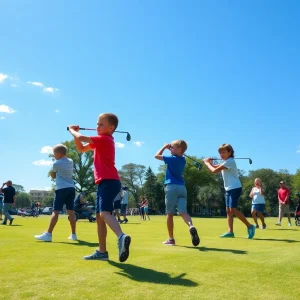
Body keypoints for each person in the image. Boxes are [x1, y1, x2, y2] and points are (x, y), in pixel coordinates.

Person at [68, 113, 131, 262]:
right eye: (97, 124)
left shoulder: (104, 139)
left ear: (111, 128)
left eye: (101, 125)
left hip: (109, 181)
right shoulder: (101, 141)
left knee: (103, 213)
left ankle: (121, 236)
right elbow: (81, 148)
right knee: (99, 218)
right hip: (104, 182)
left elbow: (82, 138)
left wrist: (72, 130)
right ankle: (102, 252)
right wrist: (75, 136)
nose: (97, 127)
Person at [204, 143, 256, 239]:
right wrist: (209, 163)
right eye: (220, 153)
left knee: (233, 209)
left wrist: (207, 163)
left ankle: (250, 226)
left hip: (235, 187)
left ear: (230, 152)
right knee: (228, 211)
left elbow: (214, 171)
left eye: (223, 152)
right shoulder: (226, 162)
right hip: (228, 188)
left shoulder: (230, 162)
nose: (221, 155)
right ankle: (230, 231)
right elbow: (215, 167)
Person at [155, 140, 200, 246]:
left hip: (171, 187)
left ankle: (171, 239)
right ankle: (191, 226)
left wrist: (164, 147)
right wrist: (172, 148)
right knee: (183, 212)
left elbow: (156, 156)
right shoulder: (183, 160)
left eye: (172, 147)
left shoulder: (172, 159)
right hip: (182, 188)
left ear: (179, 150)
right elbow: (177, 152)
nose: (170, 149)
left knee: (170, 214)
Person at [34, 144, 77, 242]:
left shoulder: (56, 164)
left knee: (55, 211)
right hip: (71, 188)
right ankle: (74, 234)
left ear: (59, 153)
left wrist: (54, 173)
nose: (54, 155)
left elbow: (53, 175)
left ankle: (48, 234)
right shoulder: (71, 161)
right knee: (71, 212)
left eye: (54, 153)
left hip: (61, 188)